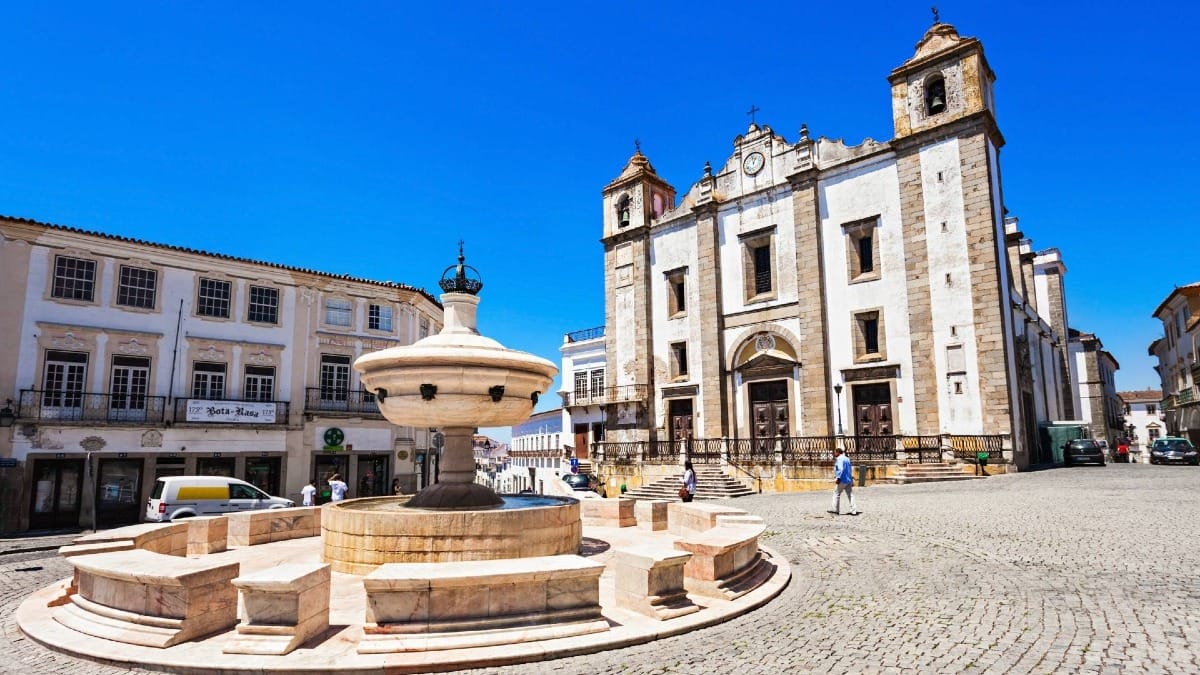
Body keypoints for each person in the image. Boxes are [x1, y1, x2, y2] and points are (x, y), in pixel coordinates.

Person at [829, 448, 858, 515]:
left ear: (838, 452)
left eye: (835, 452)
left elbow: (840, 469)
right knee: (850, 495)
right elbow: (850, 469)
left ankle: (835, 510)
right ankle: (853, 510)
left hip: (842, 479)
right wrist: (851, 478)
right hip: (848, 479)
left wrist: (838, 478)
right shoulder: (847, 459)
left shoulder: (839, 459)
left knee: (836, 494)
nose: (834, 454)